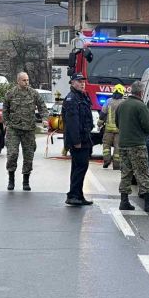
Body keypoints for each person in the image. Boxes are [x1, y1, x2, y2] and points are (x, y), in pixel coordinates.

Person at [116, 81, 149, 212]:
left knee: (126, 173)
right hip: (137, 144)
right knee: (142, 172)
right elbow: (147, 126)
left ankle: (124, 201)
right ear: (141, 92)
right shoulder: (141, 106)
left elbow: (117, 123)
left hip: (123, 144)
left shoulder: (122, 105)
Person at [2, 72, 49, 191]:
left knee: (28, 156)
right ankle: (11, 179)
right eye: (24, 80)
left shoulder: (34, 93)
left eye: (27, 80)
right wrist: (6, 122)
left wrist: (44, 119)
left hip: (29, 129)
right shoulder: (11, 93)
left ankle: (26, 181)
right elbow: (5, 109)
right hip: (14, 129)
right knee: (12, 154)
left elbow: (42, 107)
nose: (26, 82)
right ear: (18, 81)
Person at [63, 73, 94, 206]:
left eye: (83, 81)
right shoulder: (72, 99)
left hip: (85, 137)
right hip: (78, 140)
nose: (82, 83)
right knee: (80, 167)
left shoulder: (82, 96)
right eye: (79, 81)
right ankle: (73, 195)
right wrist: (76, 141)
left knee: (80, 167)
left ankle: (78, 195)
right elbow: (72, 122)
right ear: (72, 82)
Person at [99, 84, 125, 169]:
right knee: (118, 147)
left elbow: (103, 114)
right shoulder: (124, 103)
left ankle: (107, 160)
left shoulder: (108, 101)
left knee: (106, 145)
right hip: (119, 130)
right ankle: (116, 165)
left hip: (108, 129)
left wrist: (99, 123)